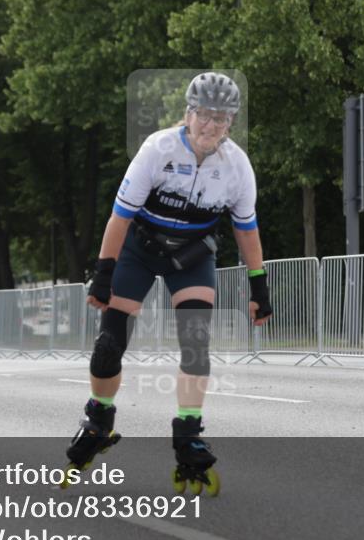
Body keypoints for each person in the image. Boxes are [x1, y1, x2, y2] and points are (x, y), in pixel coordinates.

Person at [63, 72, 273, 496]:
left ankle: (189, 431)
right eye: (203, 116)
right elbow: (120, 216)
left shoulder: (237, 167)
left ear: (230, 122)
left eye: (220, 118)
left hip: (191, 256)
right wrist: (103, 272)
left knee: (195, 341)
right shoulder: (157, 149)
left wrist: (259, 287)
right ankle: (99, 418)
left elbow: (246, 230)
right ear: (188, 113)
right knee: (110, 343)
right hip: (139, 250)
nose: (209, 126)